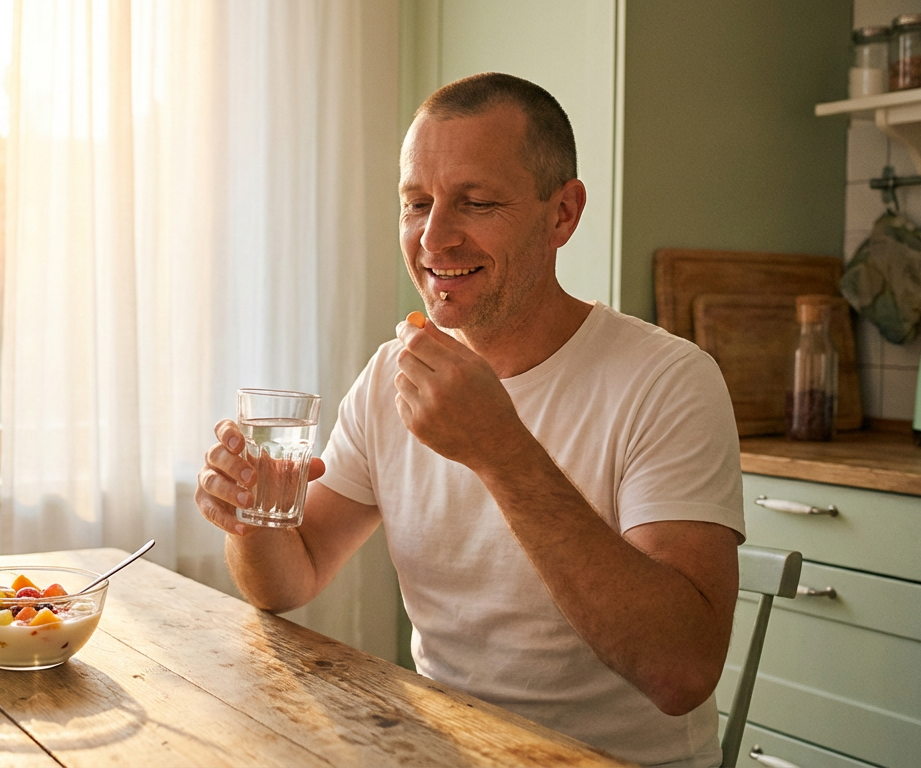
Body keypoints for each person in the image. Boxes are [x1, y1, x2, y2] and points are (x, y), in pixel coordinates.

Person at [195, 72, 744, 768]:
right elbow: (289, 580)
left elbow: (682, 672)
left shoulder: (669, 380)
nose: (435, 238)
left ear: (563, 214)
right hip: (442, 748)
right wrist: (249, 515)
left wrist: (501, 451)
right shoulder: (393, 374)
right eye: (416, 203)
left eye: (476, 201)